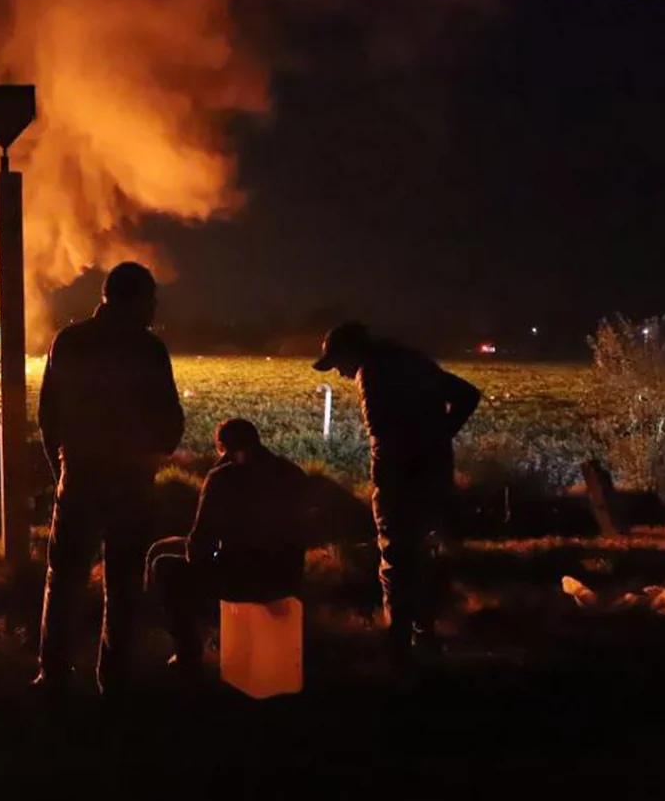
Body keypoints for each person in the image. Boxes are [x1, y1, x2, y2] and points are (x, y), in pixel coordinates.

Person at [33, 261, 185, 700]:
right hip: (132, 481)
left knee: (63, 580)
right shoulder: (149, 350)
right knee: (123, 581)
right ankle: (115, 680)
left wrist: (61, 469)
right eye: (150, 300)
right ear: (135, 301)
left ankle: (54, 675)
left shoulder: (70, 342)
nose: (154, 308)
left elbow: (49, 416)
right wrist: (152, 457)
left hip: (80, 475)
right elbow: (170, 419)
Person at [312, 322, 480, 665]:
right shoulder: (412, 361)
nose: (341, 373)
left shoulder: (371, 373)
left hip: (401, 481)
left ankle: (398, 641)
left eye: (338, 363)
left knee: (396, 556)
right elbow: (467, 394)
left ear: (351, 352)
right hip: (434, 474)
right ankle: (426, 635)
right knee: (425, 553)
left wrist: (388, 475)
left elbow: (383, 437)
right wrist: (440, 436)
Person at [147, 418, 310, 673]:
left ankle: (187, 653)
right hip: (285, 579)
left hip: (241, 581)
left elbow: (198, 548)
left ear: (222, 448)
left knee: (162, 563)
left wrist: (213, 477)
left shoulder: (223, 478)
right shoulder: (293, 473)